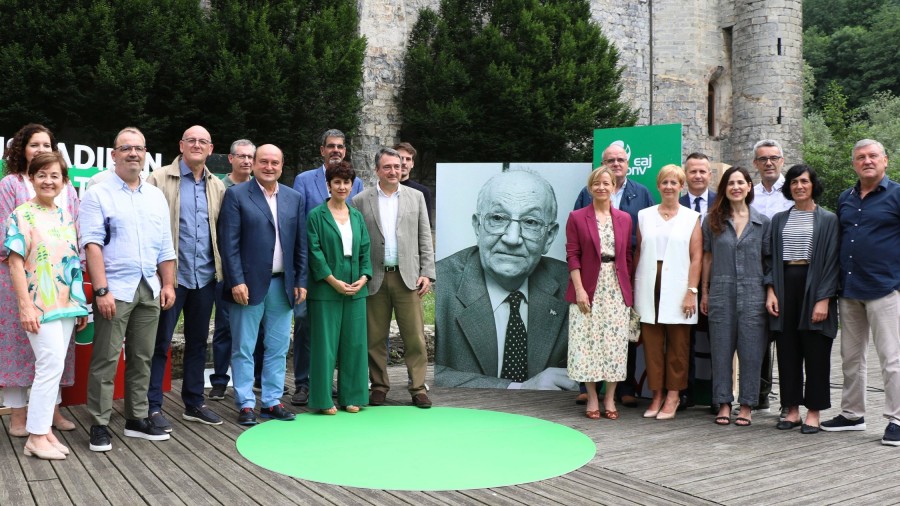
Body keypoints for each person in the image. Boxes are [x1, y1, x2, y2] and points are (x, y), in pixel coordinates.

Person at [79, 126, 176, 452]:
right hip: (115, 290)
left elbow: (166, 246)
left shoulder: (155, 196)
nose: (133, 153)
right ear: (114, 155)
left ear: (145, 153)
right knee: (105, 359)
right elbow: (92, 244)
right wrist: (102, 291)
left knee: (142, 357)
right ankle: (100, 423)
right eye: (126, 148)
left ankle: (136, 418)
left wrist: (168, 283)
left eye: (139, 148)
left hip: (149, 287)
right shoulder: (98, 193)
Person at [435, 169, 575, 390]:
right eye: (498, 218)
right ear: (477, 226)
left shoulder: (574, 288)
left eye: (530, 222)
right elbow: (422, 373)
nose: (512, 238)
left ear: (549, 237)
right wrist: (517, 389)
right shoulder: (438, 284)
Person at [5, 152, 88, 460]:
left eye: (55, 175)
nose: (48, 181)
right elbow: (15, 264)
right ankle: (36, 437)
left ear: (64, 181)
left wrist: (79, 305)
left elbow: (72, 262)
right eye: (42, 175)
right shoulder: (21, 215)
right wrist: (25, 307)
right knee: (49, 365)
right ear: (31, 179)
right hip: (39, 305)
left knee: (51, 368)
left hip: (66, 305)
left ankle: (44, 431)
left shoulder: (66, 215)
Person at [218, 144, 307, 426]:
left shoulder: (294, 198)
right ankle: (245, 404)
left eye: (275, 162)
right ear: (254, 164)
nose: (269, 167)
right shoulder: (236, 195)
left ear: (282, 166)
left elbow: (300, 244)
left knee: (278, 348)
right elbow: (228, 244)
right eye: (264, 161)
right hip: (248, 286)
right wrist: (236, 281)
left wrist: (301, 279)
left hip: (284, 285)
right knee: (243, 347)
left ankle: (271, 402)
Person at [145, 125, 226, 431]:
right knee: (159, 343)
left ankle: (194, 402)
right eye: (191, 140)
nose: (196, 144)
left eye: (202, 141)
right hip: (170, 278)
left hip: (204, 278)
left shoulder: (217, 186)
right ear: (181, 145)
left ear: (210, 148)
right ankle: (152, 406)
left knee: (196, 342)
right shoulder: (158, 179)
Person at [822, 139, 900, 447]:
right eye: (860, 157)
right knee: (851, 357)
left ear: (885, 161)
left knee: (892, 358)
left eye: (872, 156)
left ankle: (896, 418)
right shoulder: (846, 197)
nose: (866, 161)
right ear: (854, 164)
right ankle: (853, 415)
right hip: (850, 288)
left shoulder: (897, 195)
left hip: (885, 288)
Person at [574, 142, 654, 407]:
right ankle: (590, 388)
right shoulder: (584, 199)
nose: (616, 164)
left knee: (620, 336)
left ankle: (625, 387)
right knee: (590, 334)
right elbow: (575, 244)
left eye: (621, 159)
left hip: (624, 272)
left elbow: (646, 235)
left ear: (628, 164)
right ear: (602, 164)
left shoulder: (641, 193)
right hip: (591, 275)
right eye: (610, 160)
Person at [289, 129, 364, 407]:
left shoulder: (356, 183)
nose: (336, 150)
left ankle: (337, 387)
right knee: (307, 327)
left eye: (340, 146)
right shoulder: (304, 180)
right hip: (312, 271)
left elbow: (356, 224)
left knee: (342, 333)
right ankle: (303, 384)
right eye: (330, 146)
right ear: (322, 150)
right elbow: (299, 225)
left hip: (348, 273)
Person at [356, 148, 436, 408]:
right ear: (377, 170)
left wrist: (427, 273)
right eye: (387, 167)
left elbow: (425, 236)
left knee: (414, 337)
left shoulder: (416, 197)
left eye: (397, 166)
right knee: (374, 338)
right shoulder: (360, 200)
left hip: (408, 278)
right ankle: (379, 386)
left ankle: (418, 388)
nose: (393, 171)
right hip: (374, 278)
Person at [765, 164, 838, 435]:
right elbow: (771, 258)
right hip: (785, 284)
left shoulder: (828, 219)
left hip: (815, 284)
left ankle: (814, 412)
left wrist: (824, 299)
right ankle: (792, 409)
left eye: (804, 181)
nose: (799, 186)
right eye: (794, 182)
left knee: (816, 351)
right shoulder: (779, 220)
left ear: (812, 185)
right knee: (788, 350)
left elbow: (832, 262)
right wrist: (770, 290)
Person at [700, 166, 770, 427]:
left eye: (741, 182)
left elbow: (769, 262)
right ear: (724, 189)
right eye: (731, 183)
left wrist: (770, 293)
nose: (736, 187)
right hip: (721, 289)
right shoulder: (713, 221)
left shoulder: (763, 222)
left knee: (752, 351)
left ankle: (748, 404)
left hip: (754, 291)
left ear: (749, 187)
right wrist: (704, 292)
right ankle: (724, 402)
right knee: (721, 349)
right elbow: (707, 258)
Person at [565, 167, 633, 419]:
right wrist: (580, 289)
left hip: (616, 288)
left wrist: (629, 291)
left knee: (614, 344)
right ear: (590, 188)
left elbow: (627, 256)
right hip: (588, 287)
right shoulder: (577, 217)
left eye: (606, 183)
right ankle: (592, 396)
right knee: (588, 344)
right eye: (596, 183)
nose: (601, 187)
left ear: (614, 187)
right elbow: (572, 255)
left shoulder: (624, 218)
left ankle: (610, 398)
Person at [634, 164, 702, 420]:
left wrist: (691, 291)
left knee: (678, 345)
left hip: (678, 286)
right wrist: (633, 285)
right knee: (651, 346)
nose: (669, 187)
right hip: (649, 286)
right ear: (658, 186)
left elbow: (696, 258)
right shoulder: (644, 215)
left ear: (681, 186)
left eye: (675, 183)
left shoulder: (691, 218)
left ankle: (673, 395)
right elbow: (639, 252)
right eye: (665, 182)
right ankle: (656, 395)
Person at [306, 161, 372, 414]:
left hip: (356, 287)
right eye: (337, 182)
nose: (342, 186)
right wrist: (332, 280)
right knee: (325, 345)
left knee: (354, 344)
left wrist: (364, 278)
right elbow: (314, 253)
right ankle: (323, 400)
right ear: (329, 185)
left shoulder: (356, 216)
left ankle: (352, 396)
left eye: (346, 182)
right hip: (326, 288)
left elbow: (365, 249)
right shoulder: (316, 215)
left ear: (352, 185)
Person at [209, 139, 267, 400]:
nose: (246, 161)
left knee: (260, 328)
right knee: (224, 327)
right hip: (228, 269)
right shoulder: (219, 187)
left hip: (257, 270)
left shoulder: (264, 188)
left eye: (250, 157)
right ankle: (220, 381)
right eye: (241, 156)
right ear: (230, 159)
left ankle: (257, 378)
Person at [750, 139, 793, 412]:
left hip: (789, 269)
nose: (768, 163)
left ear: (782, 160)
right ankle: (760, 393)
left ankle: (789, 401)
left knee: (787, 338)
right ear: (755, 163)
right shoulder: (748, 194)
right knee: (758, 336)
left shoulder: (794, 190)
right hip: (755, 271)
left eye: (773, 158)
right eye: (763, 158)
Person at [678, 152, 717, 411]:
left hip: (717, 281)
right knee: (684, 340)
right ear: (685, 175)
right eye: (693, 171)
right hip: (683, 282)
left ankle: (718, 395)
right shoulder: (675, 203)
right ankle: (685, 392)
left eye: (702, 171)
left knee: (719, 340)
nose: (698, 175)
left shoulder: (722, 202)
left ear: (710, 175)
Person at [394, 142, 434, 228]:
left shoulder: (422, 192)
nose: (404, 162)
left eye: (408, 159)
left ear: (412, 164)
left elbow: (426, 226)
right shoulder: (383, 190)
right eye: (401, 158)